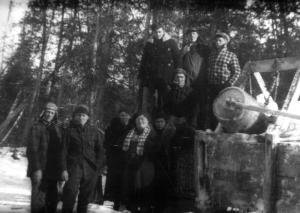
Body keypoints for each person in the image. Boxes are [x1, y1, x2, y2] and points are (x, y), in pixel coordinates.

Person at [60, 104, 105, 213]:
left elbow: (101, 151)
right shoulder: (69, 131)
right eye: (79, 115)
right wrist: (64, 169)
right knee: (70, 193)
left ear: (88, 117)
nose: (81, 117)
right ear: (74, 116)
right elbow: (63, 151)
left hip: (90, 168)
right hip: (73, 167)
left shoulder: (95, 131)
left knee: (85, 197)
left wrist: (98, 168)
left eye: (84, 115)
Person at [26, 102, 63, 213]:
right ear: (43, 112)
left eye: (52, 113)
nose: (49, 114)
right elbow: (32, 150)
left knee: (52, 198)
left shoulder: (57, 128)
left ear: (55, 114)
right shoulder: (36, 126)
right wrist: (37, 169)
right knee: (38, 198)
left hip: (52, 169)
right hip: (39, 168)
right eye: (47, 112)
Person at [138, 24, 181, 114]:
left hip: (166, 78)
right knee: (150, 102)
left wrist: (178, 74)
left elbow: (177, 59)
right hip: (151, 77)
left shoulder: (171, 42)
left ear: (163, 31)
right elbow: (144, 61)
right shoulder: (149, 44)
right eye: (156, 32)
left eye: (159, 32)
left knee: (165, 101)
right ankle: (149, 122)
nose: (158, 34)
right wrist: (142, 76)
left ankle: (166, 123)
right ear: (153, 32)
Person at [120, 114, 156, 213]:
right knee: (130, 185)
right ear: (136, 123)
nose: (140, 123)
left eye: (143, 122)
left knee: (143, 185)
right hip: (131, 163)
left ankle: (145, 208)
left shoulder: (151, 133)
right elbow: (123, 147)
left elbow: (155, 148)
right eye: (139, 122)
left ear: (147, 123)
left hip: (145, 165)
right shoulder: (130, 133)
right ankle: (132, 207)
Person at [206, 32, 241, 129]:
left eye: (220, 40)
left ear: (225, 42)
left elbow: (237, 71)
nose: (217, 42)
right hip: (212, 86)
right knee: (213, 109)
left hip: (224, 87)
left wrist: (229, 83)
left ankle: (225, 130)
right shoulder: (211, 55)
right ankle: (213, 130)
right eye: (216, 40)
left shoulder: (230, 55)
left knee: (225, 110)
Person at [103, 109, 132, 210]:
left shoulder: (131, 128)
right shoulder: (113, 126)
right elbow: (107, 141)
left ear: (129, 116)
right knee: (114, 180)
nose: (123, 117)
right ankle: (114, 202)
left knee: (124, 181)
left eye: (125, 115)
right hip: (114, 158)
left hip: (126, 158)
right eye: (121, 115)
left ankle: (123, 202)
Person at [152, 112, 176, 213]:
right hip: (154, 164)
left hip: (167, 163)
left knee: (165, 185)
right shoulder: (151, 133)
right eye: (157, 122)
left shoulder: (170, 133)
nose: (159, 124)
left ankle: (165, 206)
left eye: (161, 121)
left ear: (165, 122)